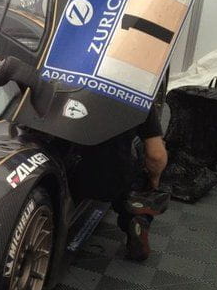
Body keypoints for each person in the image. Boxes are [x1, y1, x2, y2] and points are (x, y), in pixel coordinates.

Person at [71, 106, 168, 261]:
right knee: (141, 172)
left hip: (71, 172)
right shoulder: (138, 97)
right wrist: (153, 182)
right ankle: (136, 219)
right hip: (114, 175)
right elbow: (156, 155)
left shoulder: (64, 83)